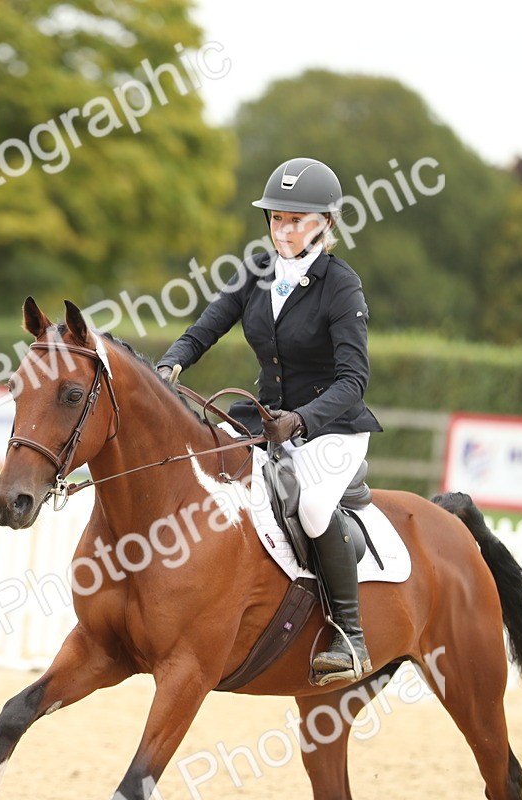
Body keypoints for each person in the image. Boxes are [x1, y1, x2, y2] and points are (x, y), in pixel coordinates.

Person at [156, 157, 383, 683]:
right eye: (277, 219)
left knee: (311, 510)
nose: (283, 230)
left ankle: (350, 636)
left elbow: (354, 380)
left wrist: (301, 421)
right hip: (263, 418)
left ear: (325, 223)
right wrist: (170, 363)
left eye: (295, 220)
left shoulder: (341, 286)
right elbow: (206, 327)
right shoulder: (258, 270)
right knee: (210, 473)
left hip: (331, 429)